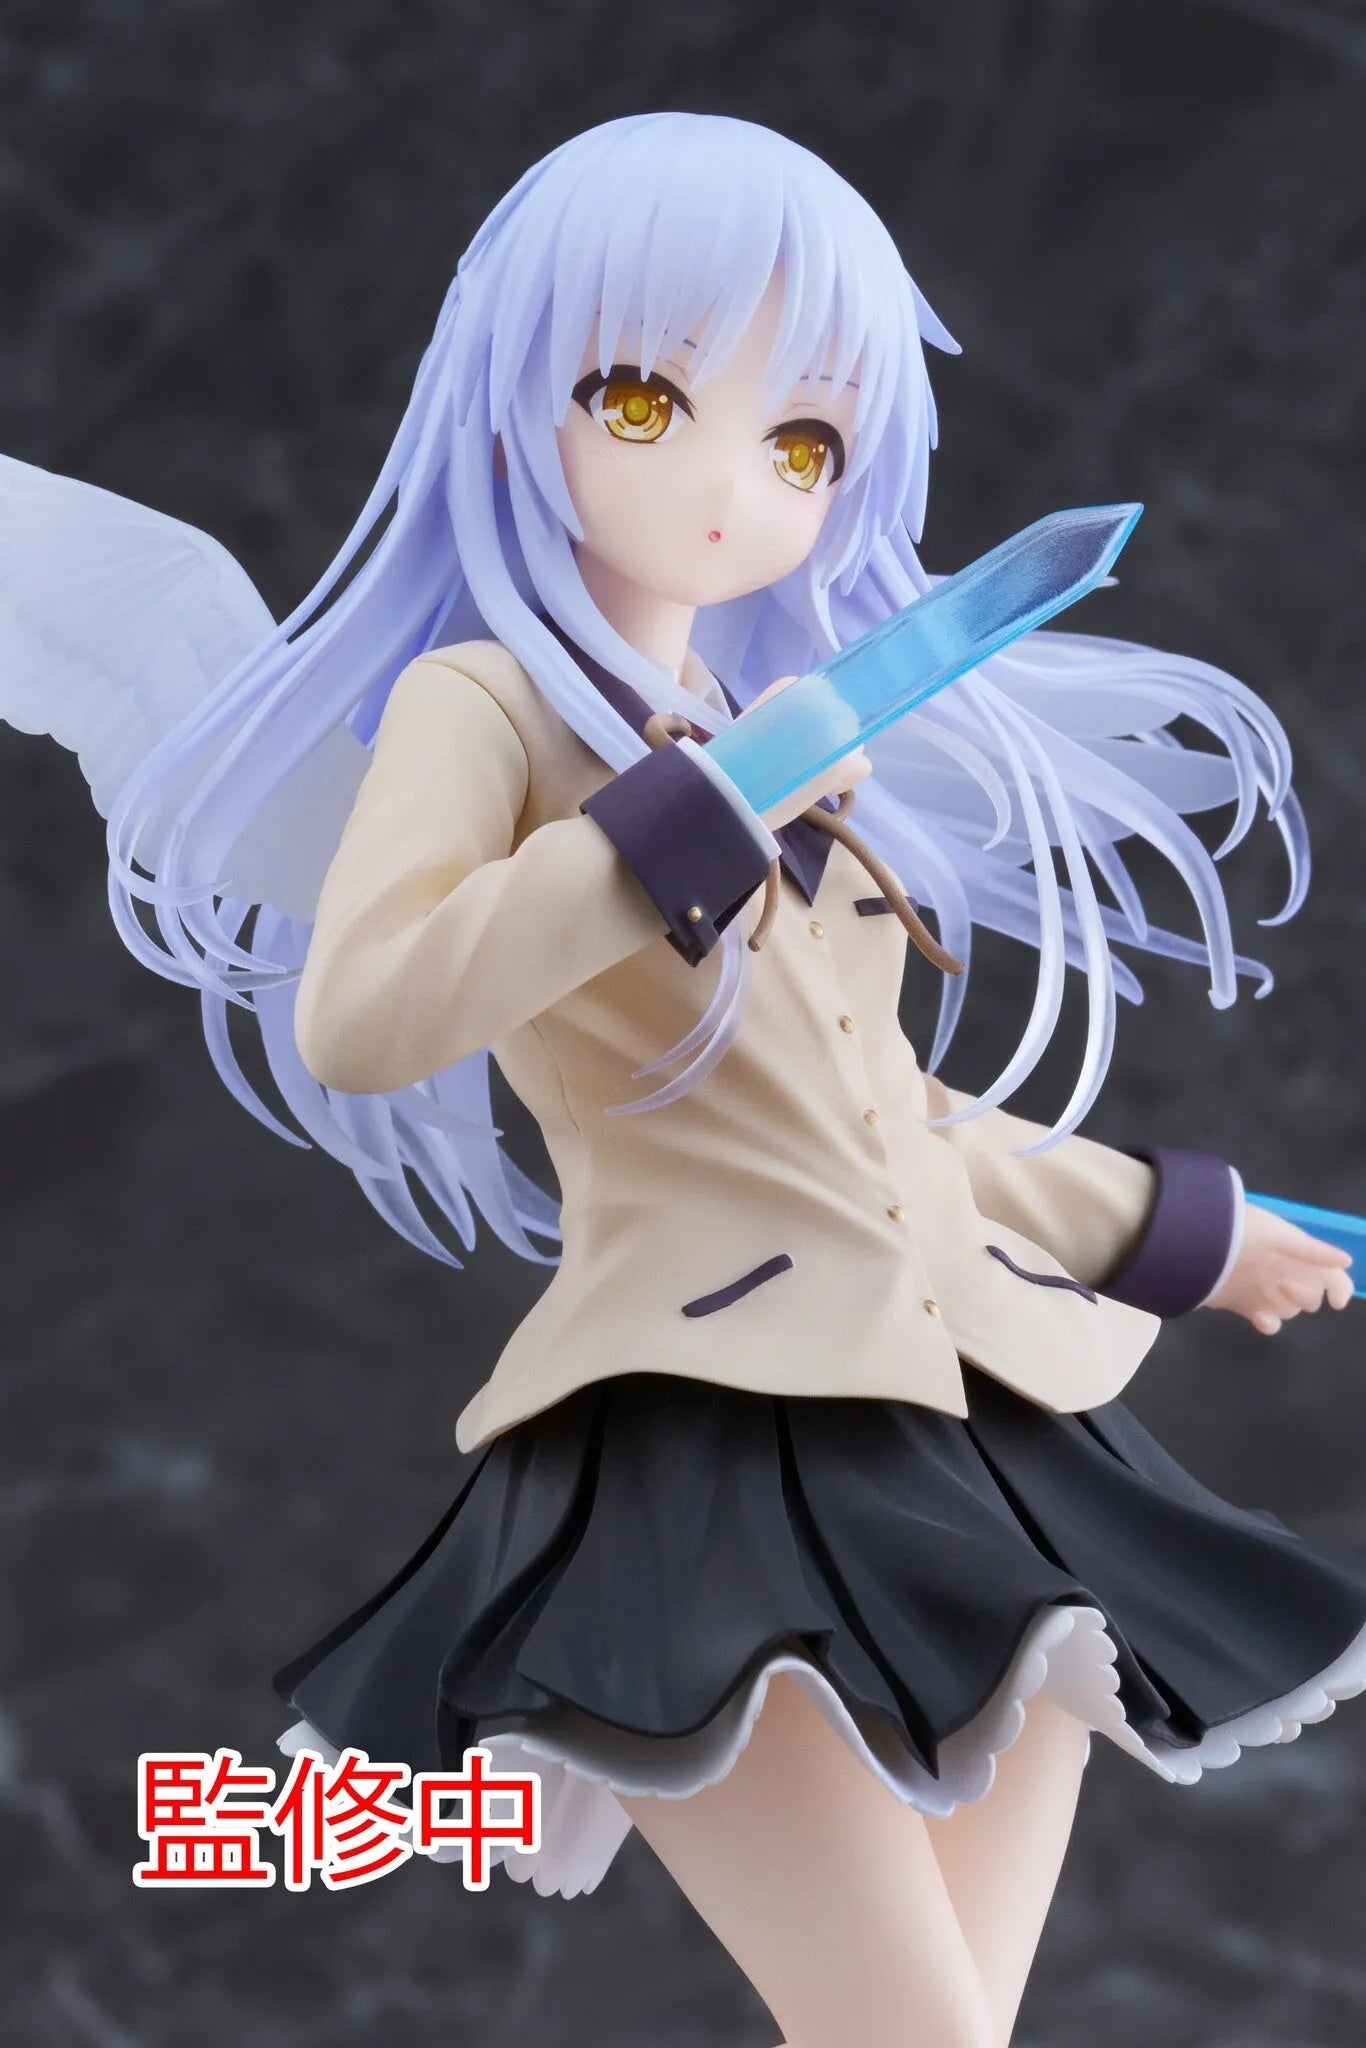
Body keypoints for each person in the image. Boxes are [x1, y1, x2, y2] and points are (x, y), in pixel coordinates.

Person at [9, 110, 1362, 2048]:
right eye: (644, 400)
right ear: (509, 409)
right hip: (709, 1439)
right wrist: (687, 817)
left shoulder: (773, 724)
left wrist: (1180, 1229)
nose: (731, 484)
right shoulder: (481, 704)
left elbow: (877, 1112)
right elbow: (368, 1011)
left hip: (979, 1414)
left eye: (800, 443)